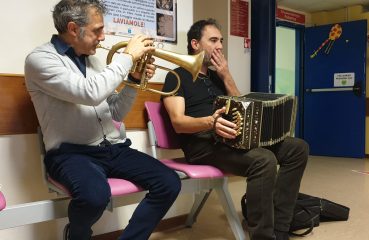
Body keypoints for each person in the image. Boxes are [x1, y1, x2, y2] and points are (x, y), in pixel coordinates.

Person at [24, 1, 181, 240]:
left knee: (169, 182)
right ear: (74, 29)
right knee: (95, 196)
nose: (103, 36)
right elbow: (89, 93)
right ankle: (76, 234)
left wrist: (134, 78)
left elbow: (115, 112)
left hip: (112, 148)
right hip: (70, 153)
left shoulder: (95, 61)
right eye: (97, 29)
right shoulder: (40, 60)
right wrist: (128, 57)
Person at [162, 18, 309, 240]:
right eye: (213, 40)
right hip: (202, 145)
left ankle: (279, 230)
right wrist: (210, 122)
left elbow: (245, 108)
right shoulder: (176, 76)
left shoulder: (216, 76)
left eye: (221, 41)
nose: (220, 46)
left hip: (231, 139)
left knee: (297, 148)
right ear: (195, 44)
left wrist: (226, 75)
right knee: (263, 160)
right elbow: (178, 122)